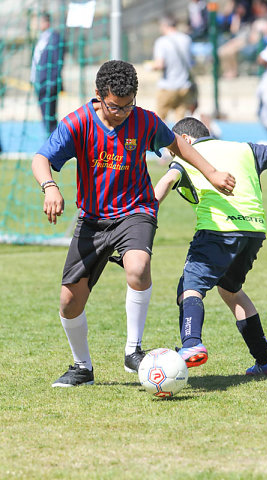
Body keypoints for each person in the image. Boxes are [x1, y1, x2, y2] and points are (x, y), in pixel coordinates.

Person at [31, 61, 235, 387]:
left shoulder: (144, 120)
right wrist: (50, 186)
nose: (122, 113)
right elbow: (41, 159)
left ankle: (133, 350)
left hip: (135, 210)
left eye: (128, 106)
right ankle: (82, 367)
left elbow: (177, 144)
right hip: (92, 219)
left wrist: (211, 173)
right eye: (114, 107)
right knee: (69, 302)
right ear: (98, 96)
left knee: (138, 269)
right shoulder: (78, 122)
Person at [154, 116, 267, 376]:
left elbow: (165, 183)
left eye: (172, 147)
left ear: (185, 140)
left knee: (190, 287)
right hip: (253, 231)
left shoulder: (188, 154)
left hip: (217, 230)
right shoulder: (245, 148)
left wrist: (144, 217)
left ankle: (191, 344)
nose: (171, 152)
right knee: (231, 290)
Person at [152, 14, 198, 122]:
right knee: (180, 122)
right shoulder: (186, 39)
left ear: (164, 25)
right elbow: (191, 61)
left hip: (167, 86)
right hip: (184, 86)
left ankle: (160, 139)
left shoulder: (161, 42)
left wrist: (150, 67)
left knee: (160, 121)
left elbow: (160, 64)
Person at [30, 12, 63, 135]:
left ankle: (56, 145)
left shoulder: (54, 38)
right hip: (39, 83)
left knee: (50, 118)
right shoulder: (41, 38)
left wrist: (52, 82)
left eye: (35, 20)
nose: (33, 24)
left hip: (48, 84)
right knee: (45, 117)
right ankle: (51, 143)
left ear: (44, 22)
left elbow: (57, 62)